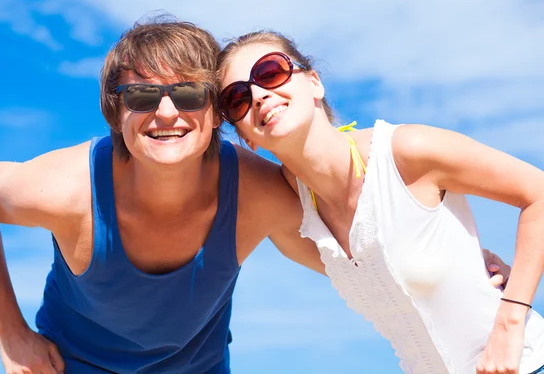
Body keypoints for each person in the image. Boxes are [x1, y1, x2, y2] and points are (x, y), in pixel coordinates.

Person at [0, 16, 510, 374]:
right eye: (141, 95)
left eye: (189, 93)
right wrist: (10, 332)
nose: (166, 113)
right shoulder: (67, 188)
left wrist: (458, 259)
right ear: (116, 112)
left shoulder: (258, 192)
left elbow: (349, 251)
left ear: (216, 114)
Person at [216, 30, 544, 374]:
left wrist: (511, 321)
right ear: (246, 137)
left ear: (314, 83)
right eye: (237, 98)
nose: (257, 95)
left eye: (270, 72)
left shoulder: (404, 153)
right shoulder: (297, 221)